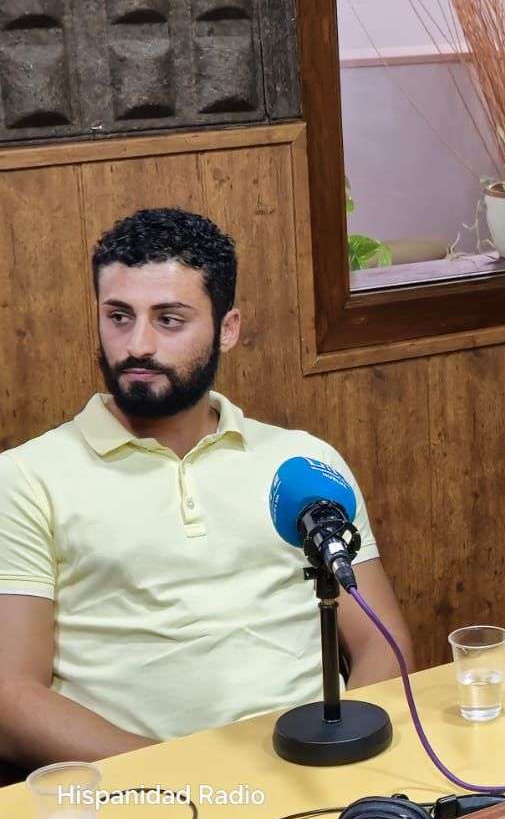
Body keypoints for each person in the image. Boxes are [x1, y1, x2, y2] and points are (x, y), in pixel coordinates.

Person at [0, 208, 413, 770]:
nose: (137, 345)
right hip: (146, 792)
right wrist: (190, 781)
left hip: (316, 768)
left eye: (169, 319)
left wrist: (342, 752)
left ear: (228, 328)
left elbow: (380, 642)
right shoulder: (27, 478)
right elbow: (13, 698)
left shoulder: (302, 463)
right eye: (118, 316)